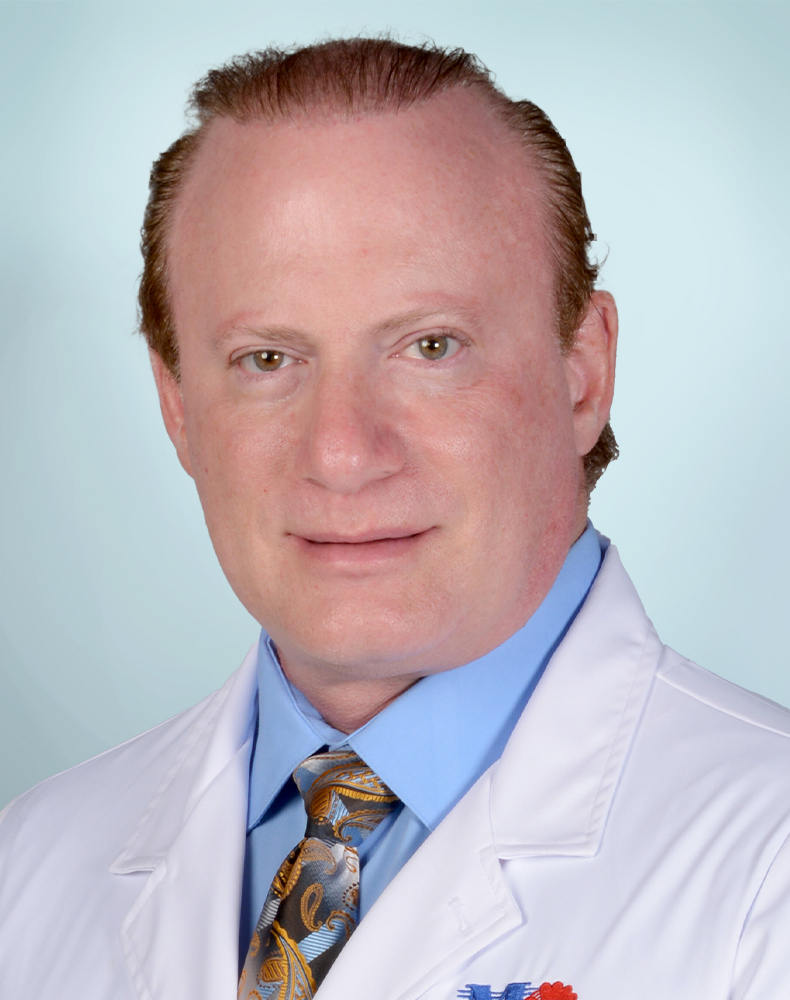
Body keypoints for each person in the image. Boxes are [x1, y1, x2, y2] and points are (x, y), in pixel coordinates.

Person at [0, 37, 788, 1000]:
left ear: (583, 374)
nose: (342, 452)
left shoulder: (767, 868)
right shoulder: (29, 870)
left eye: (430, 346)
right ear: (177, 407)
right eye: (266, 360)